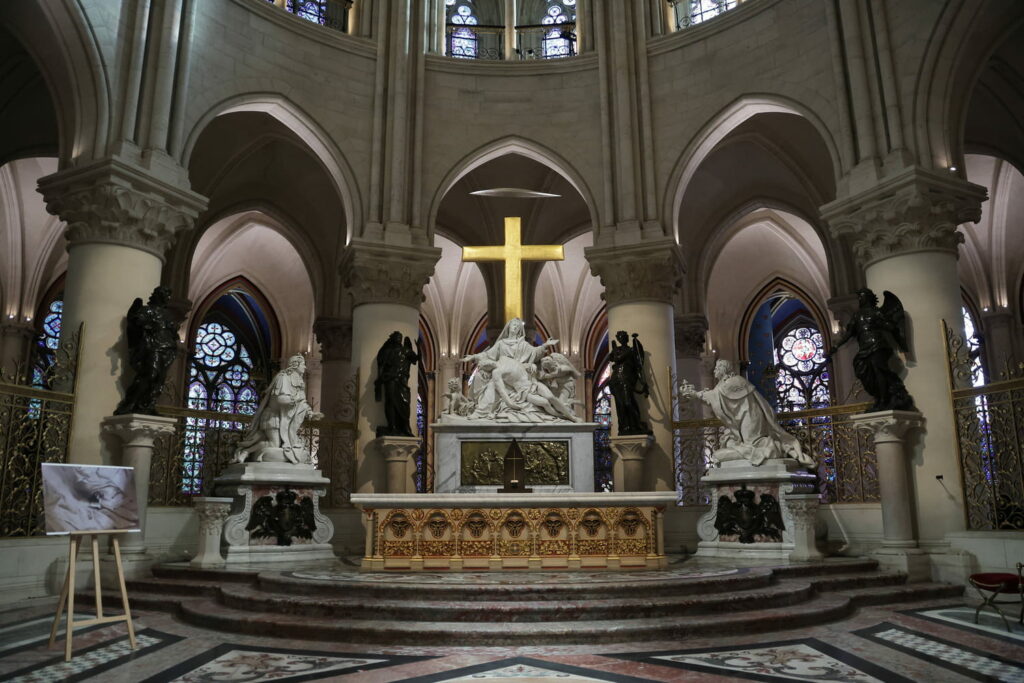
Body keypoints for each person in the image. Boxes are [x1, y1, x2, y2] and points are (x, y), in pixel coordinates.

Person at [680, 360, 814, 467]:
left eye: (717, 368)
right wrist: (696, 394)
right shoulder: (723, 384)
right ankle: (777, 448)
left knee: (749, 444)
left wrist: (695, 394)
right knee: (726, 447)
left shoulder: (734, 381)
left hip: (750, 418)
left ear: (723, 369)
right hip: (742, 420)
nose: (714, 370)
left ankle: (777, 448)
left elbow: (714, 396)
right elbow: (715, 397)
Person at [828, 288, 916, 412]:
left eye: (861, 297)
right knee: (861, 369)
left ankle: (883, 399)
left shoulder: (876, 312)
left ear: (868, 298)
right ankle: (880, 395)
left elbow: (891, 326)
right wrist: (836, 347)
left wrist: (881, 323)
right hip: (865, 348)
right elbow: (848, 334)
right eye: (859, 297)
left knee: (878, 369)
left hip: (878, 346)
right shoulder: (857, 316)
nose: (859, 299)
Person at [234, 354, 321, 464]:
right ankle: (246, 452)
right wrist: (295, 399)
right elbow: (281, 399)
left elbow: (302, 402)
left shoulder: (299, 382)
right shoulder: (283, 377)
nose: (305, 367)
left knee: (278, 446)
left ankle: (249, 452)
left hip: (286, 420)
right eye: (303, 364)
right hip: (273, 417)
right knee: (274, 444)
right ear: (295, 365)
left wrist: (310, 413)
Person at [114, 286, 178, 415]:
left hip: (167, 348)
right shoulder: (147, 310)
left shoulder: (167, 314)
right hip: (153, 347)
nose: (167, 299)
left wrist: (173, 329)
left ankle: (148, 405)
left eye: (168, 297)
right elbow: (136, 321)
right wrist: (150, 324)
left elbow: (173, 331)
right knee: (150, 374)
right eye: (165, 296)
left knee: (159, 379)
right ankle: (130, 403)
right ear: (157, 296)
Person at [375, 332, 419, 437]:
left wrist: (419, 348)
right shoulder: (387, 351)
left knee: (405, 403)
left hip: (402, 381)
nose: (399, 339)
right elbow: (381, 363)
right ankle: (392, 427)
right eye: (397, 337)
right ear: (392, 338)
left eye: (400, 337)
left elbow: (415, 359)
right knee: (390, 402)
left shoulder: (406, 350)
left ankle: (405, 427)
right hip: (390, 379)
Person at [608, 330, 650, 435]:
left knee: (628, 402)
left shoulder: (632, 351)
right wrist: (615, 350)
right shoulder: (617, 350)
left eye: (624, 336)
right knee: (620, 405)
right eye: (621, 337)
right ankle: (623, 427)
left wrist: (643, 383)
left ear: (627, 338)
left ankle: (637, 425)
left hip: (627, 379)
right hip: (616, 379)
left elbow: (638, 368)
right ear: (618, 339)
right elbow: (613, 358)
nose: (623, 338)